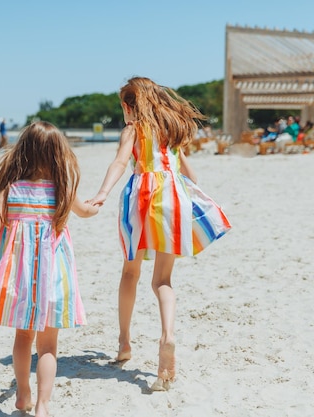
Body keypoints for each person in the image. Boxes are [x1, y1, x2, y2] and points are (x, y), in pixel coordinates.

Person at [86, 77, 232, 391]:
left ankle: (124, 342)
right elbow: (187, 172)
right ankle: (168, 336)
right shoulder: (172, 128)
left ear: (129, 105)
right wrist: (199, 198)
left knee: (130, 273)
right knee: (163, 281)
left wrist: (102, 193)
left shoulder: (133, 129)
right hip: (175, 197)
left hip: (142, 197)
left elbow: (120, 162)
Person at [0, 121, 98, 416]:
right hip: (54, 276)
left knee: (23, 338)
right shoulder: (62, 190)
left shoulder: (11, 189)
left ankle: (22, 394)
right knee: (48, 347)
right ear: (58, 154)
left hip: (22, 279)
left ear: (23, 152)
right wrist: (97, 203)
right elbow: (86, 211)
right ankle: (42, 406)